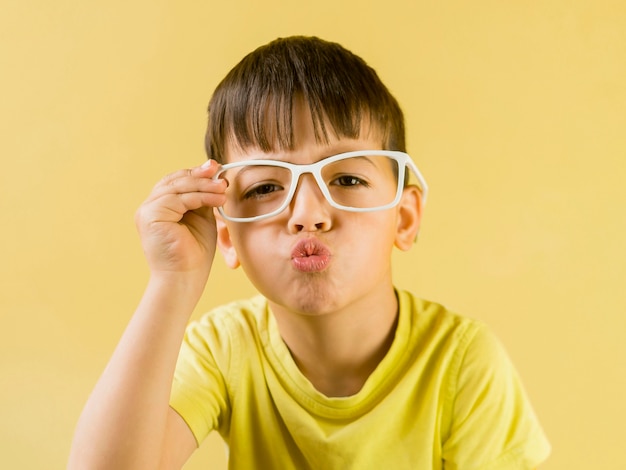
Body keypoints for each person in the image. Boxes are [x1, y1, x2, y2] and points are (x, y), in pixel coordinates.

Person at [68, 36, 550, 469]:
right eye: (264, 187)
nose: (307, 214)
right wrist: (171, 282)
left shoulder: (461, 361)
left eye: (346, 178)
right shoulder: (225, 348)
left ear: (404, 217)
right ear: (229, 238)